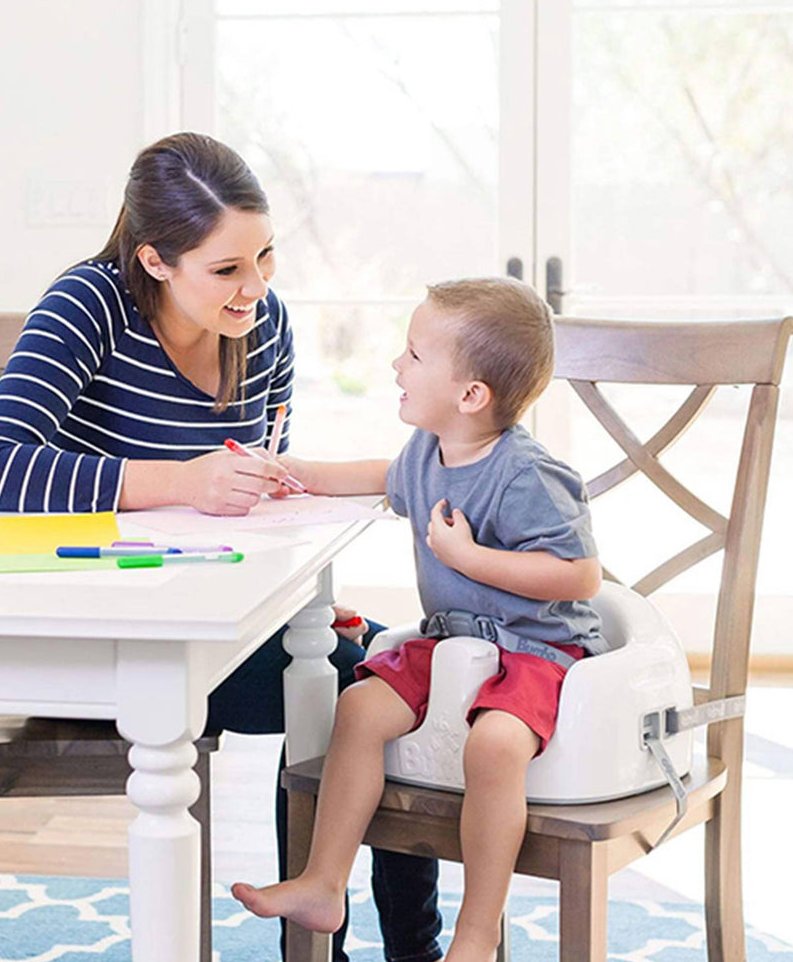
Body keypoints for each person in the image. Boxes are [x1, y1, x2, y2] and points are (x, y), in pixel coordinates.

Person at [0, 132, 442, 962]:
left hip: (209, 625)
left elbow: (257, 500)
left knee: (377, 679)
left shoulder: (267, 328)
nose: (254, 288)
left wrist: (304, 603)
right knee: (353, 686)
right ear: (154, 260)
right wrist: (180, 482)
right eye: (226, 270)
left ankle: (406, 953)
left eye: (265, 258)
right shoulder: (88, 305)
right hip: (95, 643)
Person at [232, 277, 607, 962]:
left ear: (471, 396)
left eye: (412, 355)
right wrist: (293, 471)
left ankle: (476, 930)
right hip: (454, 642)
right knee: (360, 708)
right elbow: (378, 474)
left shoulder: (526, 475)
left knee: (492, 749)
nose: (395, 367)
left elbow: (580, 575)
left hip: (533, 653)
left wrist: (470, 556)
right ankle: (323, 882)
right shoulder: (427, 455)